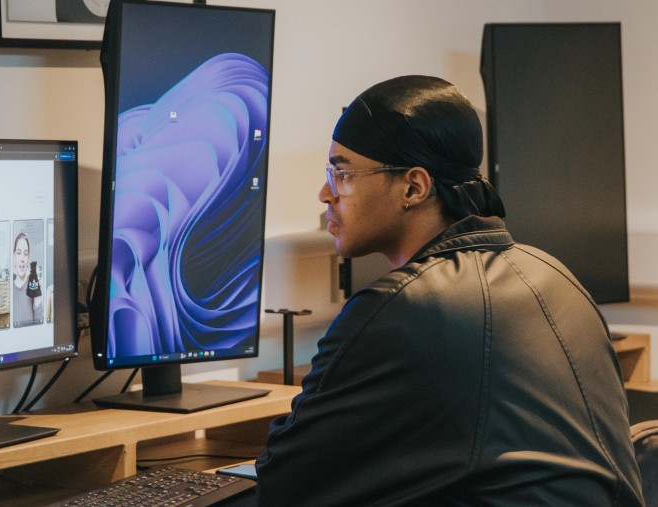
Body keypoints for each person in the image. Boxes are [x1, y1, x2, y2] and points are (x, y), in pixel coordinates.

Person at [254, 75, 644, 506]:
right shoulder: (556, 274)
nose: (326, 193)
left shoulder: (400, 307)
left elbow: (284, 481)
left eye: (342, 173)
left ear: (414, 187)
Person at [12, 232, 43, 326]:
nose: (22, 258)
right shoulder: (8, 284)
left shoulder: (32, 283)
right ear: (14, 256)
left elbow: (39, 326)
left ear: (28, 257)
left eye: (25, 254)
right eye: (18, 253)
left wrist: (38, 301)